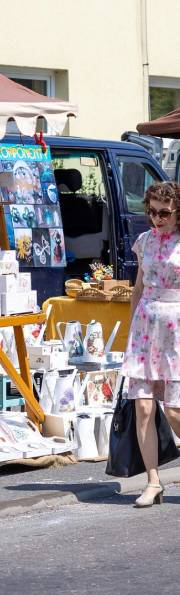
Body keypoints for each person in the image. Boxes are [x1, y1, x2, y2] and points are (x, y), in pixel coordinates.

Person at [123, 181, 180, 507]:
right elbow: (139, 287)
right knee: (143, 407)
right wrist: (130, 330)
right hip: (146, 329)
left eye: (164, 212)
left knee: (174, 410)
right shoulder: (144, 242)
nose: (157, 218)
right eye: (152, 211)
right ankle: (153, 481)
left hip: (176, 329)